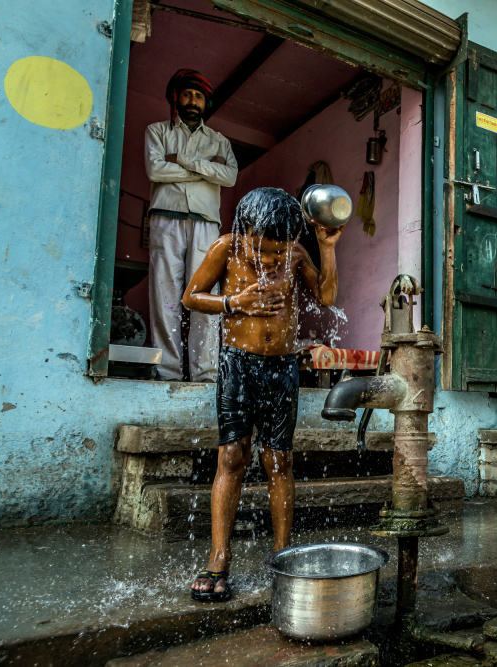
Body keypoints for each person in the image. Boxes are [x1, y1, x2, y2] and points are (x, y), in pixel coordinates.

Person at [184, 187, 341, 602]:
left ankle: (283, 553)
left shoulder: (296, 253)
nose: (271, 259)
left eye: (279, 251)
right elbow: (191, 297)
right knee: (232, 456)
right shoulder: (227, 248)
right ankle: (219, 556)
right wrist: (235, 302)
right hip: (237, 363)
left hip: (282, 367)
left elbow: (326, 297)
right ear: (246, 230)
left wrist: (325, 248)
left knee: (279, 459)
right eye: (264, 249)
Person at [145, 68, 238, 382]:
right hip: (165, 220)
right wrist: (207, 170)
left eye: (198, 96)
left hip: (206, 225)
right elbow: (155, 171)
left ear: (205, 102)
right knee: (165, 296)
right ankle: (166, 371)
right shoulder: (157, 131)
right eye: (187, 94)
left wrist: (182, 161)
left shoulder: (219, 140)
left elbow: (229, 176)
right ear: (176, 97)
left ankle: (206, 374)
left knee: (206, 296)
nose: (193, 101)